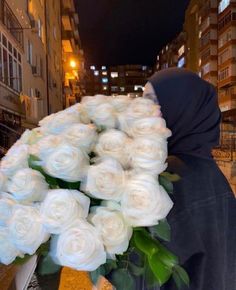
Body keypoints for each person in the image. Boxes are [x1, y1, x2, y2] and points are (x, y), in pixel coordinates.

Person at [138, 68, 236, 290]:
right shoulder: (213, 174)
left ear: (181, 108)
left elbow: (143, 276)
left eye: (152, 102)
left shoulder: (171, 178)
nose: (142, 112)